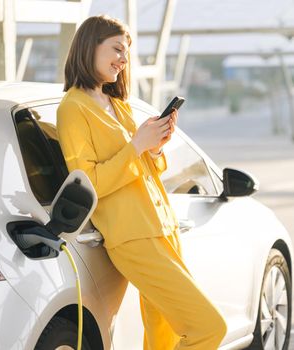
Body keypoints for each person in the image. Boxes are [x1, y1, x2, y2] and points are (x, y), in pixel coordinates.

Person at [56, 15, 227, 350]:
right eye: (117, 48)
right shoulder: (72, 109)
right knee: (209, 328)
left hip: (163, 229)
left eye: (127, 52)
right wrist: (136, 146)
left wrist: (154, 146)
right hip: (132, 237)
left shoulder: (117, 105)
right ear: (89, 47)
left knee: (162, 335)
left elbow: (142, 169)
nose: (124, 58)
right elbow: (88, 183)